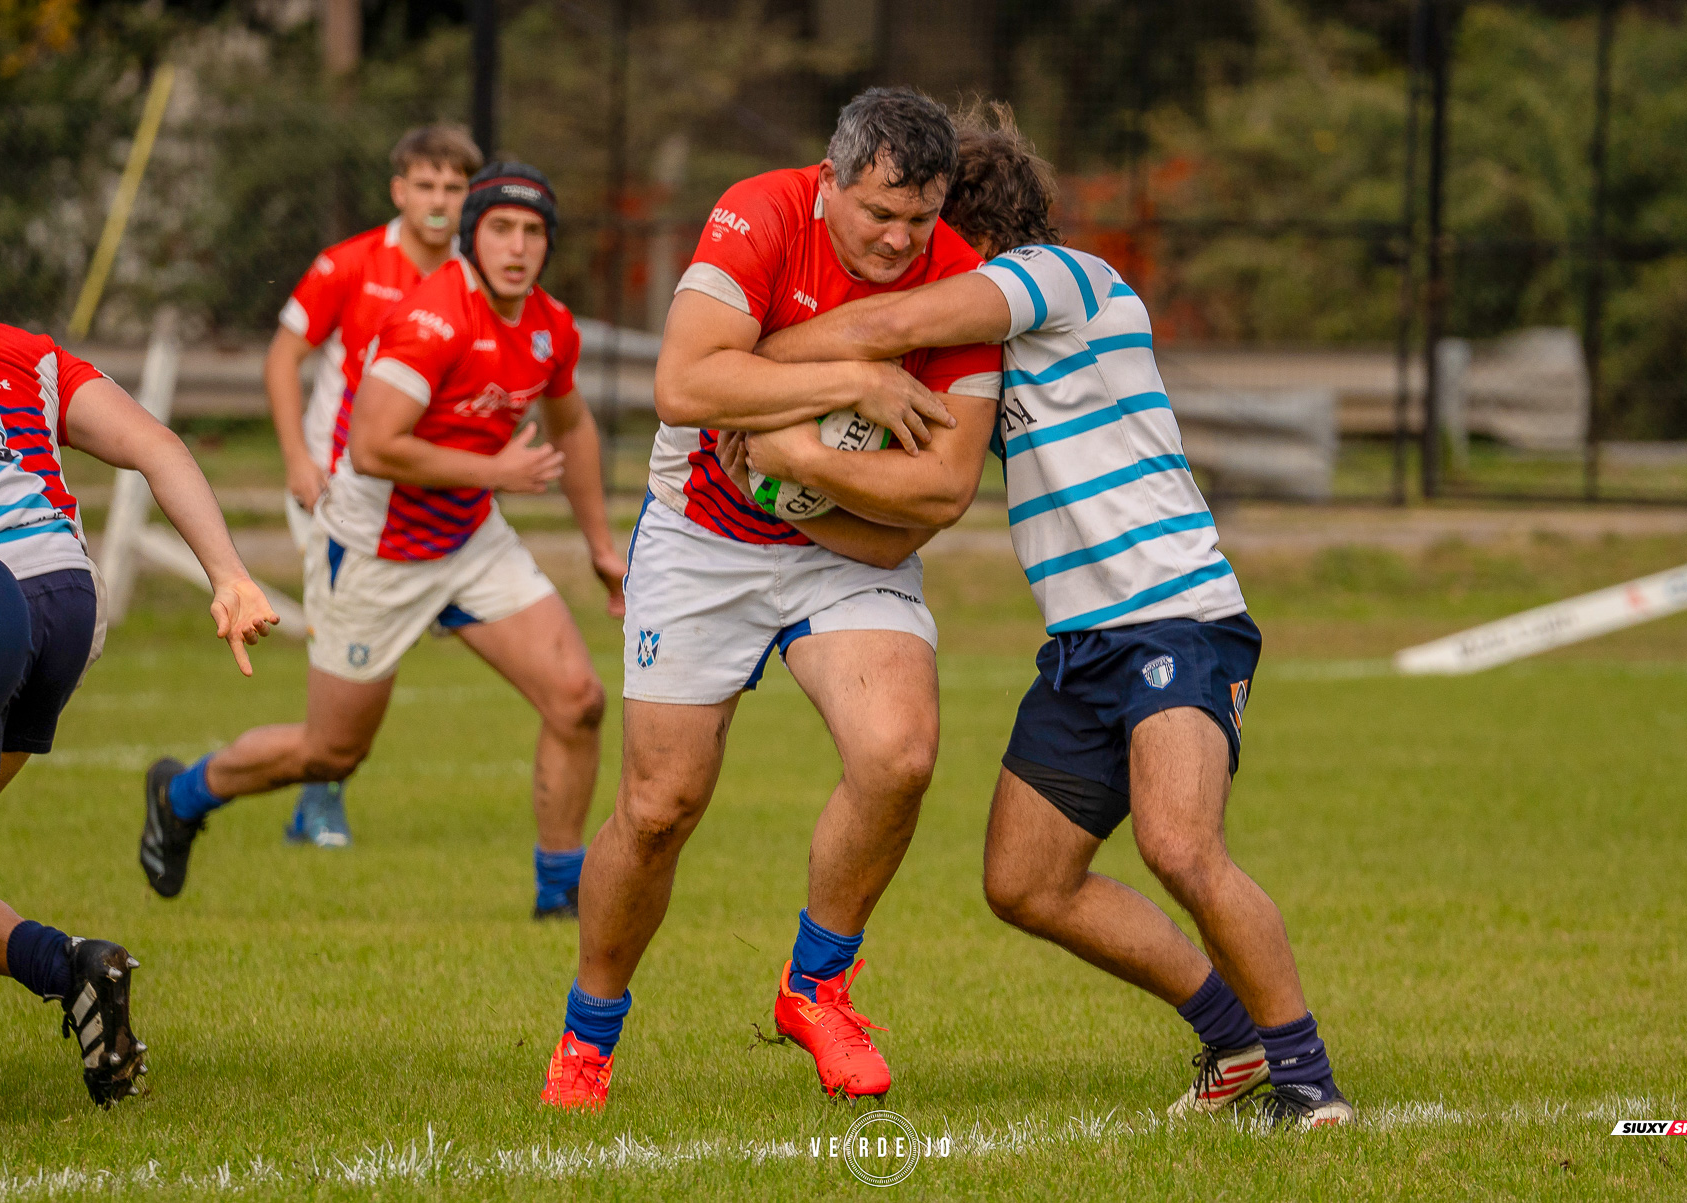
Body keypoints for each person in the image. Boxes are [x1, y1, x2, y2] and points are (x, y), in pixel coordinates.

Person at [730, 104, 1356, 1129]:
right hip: (1082, 644)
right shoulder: (987, 350)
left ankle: (1309, 1080)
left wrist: (750, 370)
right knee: (1026, 882)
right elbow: (919, 487)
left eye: (923, 232)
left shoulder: (1057, 280)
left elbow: (884, 327)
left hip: (1177, 618)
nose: (900, 253)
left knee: (1181, 846)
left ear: (964, 229)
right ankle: (1233, 1039)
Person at [539, 88, 1002, 1111]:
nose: (897, 239)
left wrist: (798, 459)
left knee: (900, 756)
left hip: (846, 551)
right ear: (829, 181)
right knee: (660, 810)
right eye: (878, 213)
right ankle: (589, 1030)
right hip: (702, 537)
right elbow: (685, 385)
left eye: (919, 221)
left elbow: (945, 491)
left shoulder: (962, 280)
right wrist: (864, 378)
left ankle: (819, 987)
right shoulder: (760, 212)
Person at [140, 163, 627, 922]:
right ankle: (182, 793)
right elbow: (371, 446)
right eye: (501, 227)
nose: (519, 245)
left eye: (534, 232)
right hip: (375, 549)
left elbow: (573, 424)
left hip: (470, 539)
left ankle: (560, 897)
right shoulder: (430, 318)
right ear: (473, 236)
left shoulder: (550, 325)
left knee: (578, 700)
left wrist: (601, 544)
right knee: (330, 754)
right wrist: (495, 468)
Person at [0, 261, 277, 1107]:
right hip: (65, 595)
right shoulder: (28, 356)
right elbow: (157, 444)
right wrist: (228, 572)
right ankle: (73, 967)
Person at [268, 124, 482, 847]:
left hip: (430, 499)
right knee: (342, 633)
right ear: (399, 190)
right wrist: (298, 457)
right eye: (426, 184)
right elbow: (283, 356)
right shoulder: (348, 264)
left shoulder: (479, 275)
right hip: (341, 492)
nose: (439, 199)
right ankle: (319, 796)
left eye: (454, 187)